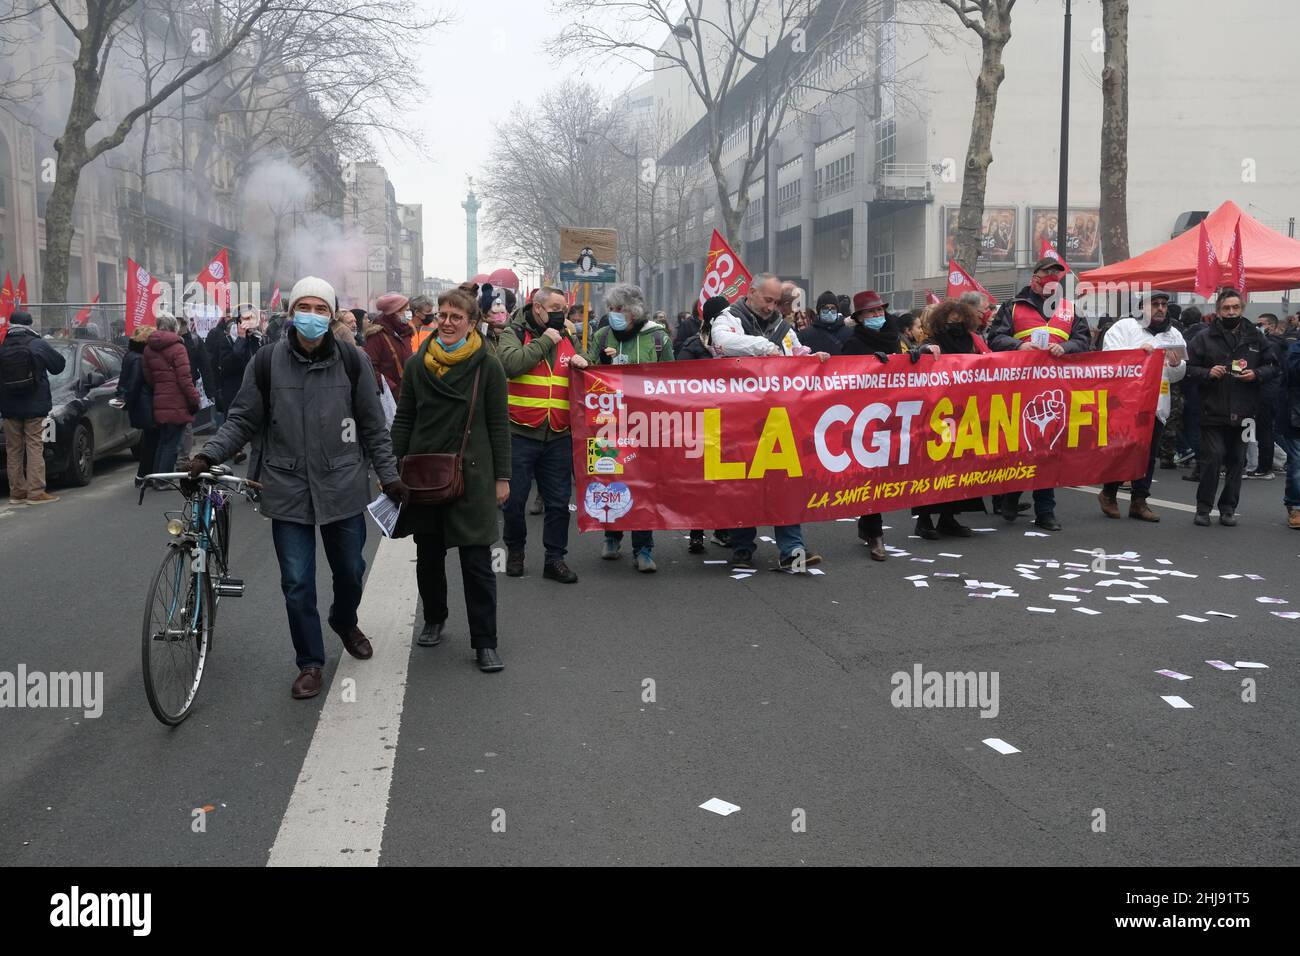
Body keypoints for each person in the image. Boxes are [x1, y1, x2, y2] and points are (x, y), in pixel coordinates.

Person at [189, 276, 405, 699]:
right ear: (291, 315)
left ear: (330, 314)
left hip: (342, 484)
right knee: (297, 582)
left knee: (351, 572)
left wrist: (389, 475)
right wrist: (209, 454)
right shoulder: (266, 362)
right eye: (304, 308)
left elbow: (373, 426)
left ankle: (344, 620)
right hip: (285, 486)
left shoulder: (352, 360)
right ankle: (309, 661)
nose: (312, 316)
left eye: (321, 309)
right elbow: (242, 419)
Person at [391, 285, 510, 672]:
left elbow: (498, 424)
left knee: (477, 562)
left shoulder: (488, 364)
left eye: (456, 317)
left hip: (474, 475)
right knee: (428, 556)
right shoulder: (416, 365)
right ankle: (435, 617)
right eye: (442, 315)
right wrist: (392, 467)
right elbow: (405, 417)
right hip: (425, 472)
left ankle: (485, 641)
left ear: (472, 323)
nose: (447, 322)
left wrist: (503, 477)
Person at [711, 273, 829, 570]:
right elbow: (722, 342)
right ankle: (741, 545)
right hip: (737, 416)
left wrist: (815, 358)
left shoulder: (782, 326)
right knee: (742, 481)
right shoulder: (728, 319)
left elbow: (797, 352)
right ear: (750, 293)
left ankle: (793, 550)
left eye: (776, 302)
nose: (772, 307)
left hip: (778, 418)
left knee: (785, 481)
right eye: (767, 300)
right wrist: (763, 347)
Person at [987, 256, 1091, 531]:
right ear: (1034, 277)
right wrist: (1018, 346)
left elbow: (1084, 341)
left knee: (1048, 449)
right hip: (1018, 390)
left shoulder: (1070, 309)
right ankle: (1010, 494)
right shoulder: (1012, 308)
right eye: (1047, 274)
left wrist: (1066, 348)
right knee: (1019, 447)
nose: (1052, 280)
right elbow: (994, 339)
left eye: (1057, 276)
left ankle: (1046, 511)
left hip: (1055, 390)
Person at [497, 286, 591, 583]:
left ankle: (555, 559)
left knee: (559, 502)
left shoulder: (569, 335)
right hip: (520, 433)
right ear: (536, 308)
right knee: (514, 502)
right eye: (554, 307)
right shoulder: (514, 332)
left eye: (563, 307)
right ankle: (515, 551)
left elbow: (585, 366)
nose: (560, 312)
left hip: (559, 434)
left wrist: (584, 363)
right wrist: (545, 341)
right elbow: (510, 365)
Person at [585, 283, 673, 572]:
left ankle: (644, 549)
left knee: (644, 486)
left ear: (634, 311)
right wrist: (601, 362)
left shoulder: (657, 337)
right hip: (607, 423)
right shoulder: (601, 335)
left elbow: (671, 379)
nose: (613, 314)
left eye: (619, 309)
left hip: (646, 424)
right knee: (609, 479)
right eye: (610, 309)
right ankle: (611, 536)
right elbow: (586, 369)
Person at [1185, 288, 1279, 526]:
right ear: (1218, 311)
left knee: (1238, 460)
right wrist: (1207, 372)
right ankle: (1203, 508)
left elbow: (1273, 366)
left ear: (1242, 309)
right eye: (1226, 308)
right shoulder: (1203, 338)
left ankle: (1228, 508)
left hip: (1246, 411)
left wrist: (1256, 374)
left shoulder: (1256, 337)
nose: (1231, 312)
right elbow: (1187, 370)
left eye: (1235, 307)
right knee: (1213, 458)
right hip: (1212, 409)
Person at [1096, 290, 1186, 522]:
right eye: (1154, 304)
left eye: (1164, 304)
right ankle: (1109, 493)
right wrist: (1138, 354)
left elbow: (1177, 375)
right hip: (1127, 404)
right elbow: (1110, 360)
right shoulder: (1124, 328)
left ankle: (1139, 500)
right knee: (1124, 451)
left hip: (1156, 405)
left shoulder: (1173, 334)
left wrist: (1176, 365)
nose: (1160, 308)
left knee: (1148, 454)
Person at [910, 301, 989, 538]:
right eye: (950, 321)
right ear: (940, 321)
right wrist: (926, 352)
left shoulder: (971, 341)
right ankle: (924, 520)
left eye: (959, 320)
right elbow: (918, 356)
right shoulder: (932, 341)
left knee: (961, 467)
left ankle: (949, 517)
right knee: (934, 468)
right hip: (938, 414)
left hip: (966, 411)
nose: (955, 324)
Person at [840, 290, 906, 559]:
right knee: (871, 475)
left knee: (884, 474)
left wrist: (917, 357)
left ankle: (867, 528)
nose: (878, 316)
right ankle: (875, 533)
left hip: (893, 415)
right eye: (871, 312)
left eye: (880, 311)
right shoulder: (853, 344)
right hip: (864, 419)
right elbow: (843, 380)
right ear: (859, 317)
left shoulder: (894, 337)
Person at [677, 295, 731, 555]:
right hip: (700, 423)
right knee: (700, 481)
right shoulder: (693, 346)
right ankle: (697, 533)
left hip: (730, 423)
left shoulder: (735, 345)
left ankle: (722, 529)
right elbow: (677, 381)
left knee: (726, 481)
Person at [0, 310, 67, 504]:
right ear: (30, 325)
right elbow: (59, 366)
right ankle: (36, 492)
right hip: (35, 406)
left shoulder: (3, 348)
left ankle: (17, 492)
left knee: (13, 450)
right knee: (34, 447)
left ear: (11, 325)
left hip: (10, 408)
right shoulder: (37, 344)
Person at [142, 311, 200, 474]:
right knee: (172, 444)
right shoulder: (178, 347)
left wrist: (161, 386)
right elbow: (185, 378)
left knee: (163, 441)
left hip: (159, 399)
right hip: (177, 401)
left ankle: (157, 476)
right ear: (173, 327)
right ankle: (163, 479)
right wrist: (194, 399)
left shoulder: (148, 348)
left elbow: (149, 377)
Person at [116, 325, 158, 488]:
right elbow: (134, 382)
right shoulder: (139, 359)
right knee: (151, 442)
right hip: (145, 404)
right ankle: (144, 476)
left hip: (140, 404)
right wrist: (129, 400)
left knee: (149, 440)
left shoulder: (131, 355)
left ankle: (144, 475)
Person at [1245, 313, 1284, 480]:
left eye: (1261, 323)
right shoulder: (1272, 343)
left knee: (1262, 431)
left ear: (1272, 326)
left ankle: (1263, 467)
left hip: (1265, 391)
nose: (1257, 326)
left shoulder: (1270, 345)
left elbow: (1269, 368)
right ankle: (1262, 466)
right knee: (1260, 431)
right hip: (1268, 391)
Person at [364, 291, 415, 400]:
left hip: (407, 394)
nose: (409, 313)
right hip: (389, 397)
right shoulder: (376, 335)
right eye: (405, 310)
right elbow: (370, 368)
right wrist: (392, 388)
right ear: (394, 312)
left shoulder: (405, 332)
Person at [1275, 335, 1300, 528]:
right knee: (1297, 464)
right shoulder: (1295, 349)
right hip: (1295, 415)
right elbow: (1293, 373)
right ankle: (1295, 507)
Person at [799, 291, 852, 355]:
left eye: (833, 308)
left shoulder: (849, 334)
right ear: (819, 311)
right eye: (825, 308)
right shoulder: (805, 335)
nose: (829, 312)